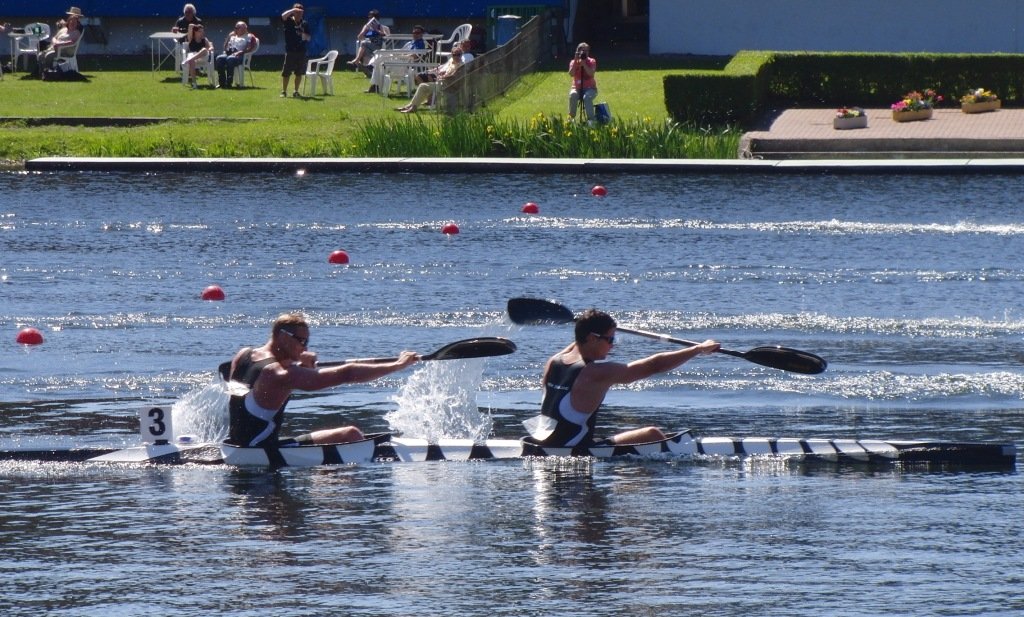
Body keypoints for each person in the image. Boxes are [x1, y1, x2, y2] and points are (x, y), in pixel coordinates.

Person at [525, 308, 719, 449]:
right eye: (610, 339)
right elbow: (654, 365)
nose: (612, 345)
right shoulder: (595, 373)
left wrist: (587, 326)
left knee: (648, 435)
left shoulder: (553, 362)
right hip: (574, 452)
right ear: (592, 338)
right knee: (652, 434)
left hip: (541, 444)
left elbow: (577, 344)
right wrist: (698, 349)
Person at [226, 313, 418, 448]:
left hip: (235, 444)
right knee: (351, 435)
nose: (304, 347)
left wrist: (296, 363)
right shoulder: (281, 374)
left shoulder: (244, 355)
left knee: (349, 434)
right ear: (282, 336)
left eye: (306, 342)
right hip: (260, 450)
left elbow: (256, 384)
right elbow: (347, 374)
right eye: (301, 341)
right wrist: (398, 365)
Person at [395, 45, 464, 113]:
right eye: (455, 55)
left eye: (459, 55)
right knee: (423, 85)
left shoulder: (461, 65)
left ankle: (413, 107)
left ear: (461, 55)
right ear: (452, 55)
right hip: (441, 82)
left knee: (423, 86)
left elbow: (455, 77)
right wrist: (442, 72)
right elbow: (445, 69)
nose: (457, 57)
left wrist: (444, 76)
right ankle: (411, 106)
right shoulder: (451, 61)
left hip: (448, 85)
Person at [365, 24, 428, 94]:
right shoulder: (411, 43)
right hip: (399, 61)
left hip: (404, 65)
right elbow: (402, 51)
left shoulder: (420, 44)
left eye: (417, 33)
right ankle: (374, 82)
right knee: (380, 61)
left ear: (422, 34)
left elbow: (416, 56)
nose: (415, 34)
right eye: (413, 33)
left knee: (381, 55)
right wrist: (398, 54)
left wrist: (402, 55)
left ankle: (371, 68)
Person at [280, 3, 311, 98]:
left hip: (301, 51)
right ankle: (284, 91)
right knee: (286, 72)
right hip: (290, 50)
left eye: (300, 13)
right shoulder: (289, 21)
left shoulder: (304, 23)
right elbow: (283, 16)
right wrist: (293, 10)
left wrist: (303, 34)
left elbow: (308, 38)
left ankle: (296, 91)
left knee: (299, 72)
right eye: (297, 13)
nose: (299, 15)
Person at [214, 21, 258, 88]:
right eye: (236, 28)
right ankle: (222, 83)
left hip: (240, 56)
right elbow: (225, 47)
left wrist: (241, 52)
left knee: (230, 59)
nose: (236, 29)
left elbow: (251, 47)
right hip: (229, 53)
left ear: (244, 28)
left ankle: (229, 83)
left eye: (238, 28)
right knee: (219, 58)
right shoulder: (233, 36)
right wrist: (229, 37)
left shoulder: (249, 36)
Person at [40, 7, 83, 73]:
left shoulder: (77, 31)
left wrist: (59, 44)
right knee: (41, 54)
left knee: (49, 55)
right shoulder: (64, 29)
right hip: (54, 47)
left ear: (78, 22)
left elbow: (72, 42)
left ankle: (48, 72)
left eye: (74, 21)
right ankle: (41, 72)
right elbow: (54, 37)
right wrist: (55, 42)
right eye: (71, 21)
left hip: (64, 50)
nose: (72, 23)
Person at [568, 42, 598, 123]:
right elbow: (571, 74)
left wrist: (584, 64)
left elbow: (591, 73)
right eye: (583, 51)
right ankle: (571, 119)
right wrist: (575, 61)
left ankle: (591, 120)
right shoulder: (573, 62)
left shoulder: (592, 61)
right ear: (578, 52)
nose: (585, 53)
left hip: (590, 88)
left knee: (587, 97)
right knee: (572, 95)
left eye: (587, 51)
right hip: (576, 88)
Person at [182, 23, 213, 89]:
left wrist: (209, 49)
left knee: (204, 49)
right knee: (192, 61)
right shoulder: (191, 39)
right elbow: (190, 26)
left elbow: (211, 47)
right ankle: (194, 83)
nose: (202, 33)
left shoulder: (205, 39)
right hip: (193, 56)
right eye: (200, 31)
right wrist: (194, 26)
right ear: (195, 32)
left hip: (202, 57)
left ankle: (187, 60)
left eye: (202, 31)